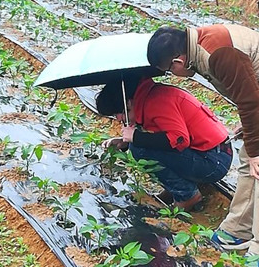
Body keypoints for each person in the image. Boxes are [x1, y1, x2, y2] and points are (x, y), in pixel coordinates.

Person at [147, 24, 259, 267]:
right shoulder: (199, 49)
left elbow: (249, 102)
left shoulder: (218, 53)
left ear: (178, 61)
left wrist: (256, 150)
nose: (172, 75)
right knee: (248, 165)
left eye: (168, 71)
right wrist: (252, 133)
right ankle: (237, 229)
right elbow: (249, 92)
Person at [96, 74, 233, 211]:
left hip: (213, 160)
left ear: (128, 103)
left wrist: (136, 138)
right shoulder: (148, 97)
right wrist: (124, 142)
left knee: (139, 148)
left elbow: (179, 140)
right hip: (210, 152)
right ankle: (175, 189)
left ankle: (187, 196)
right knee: (138, 144)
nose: (118, 119)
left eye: (116, 114)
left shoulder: (157, 102)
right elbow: (160, 134)